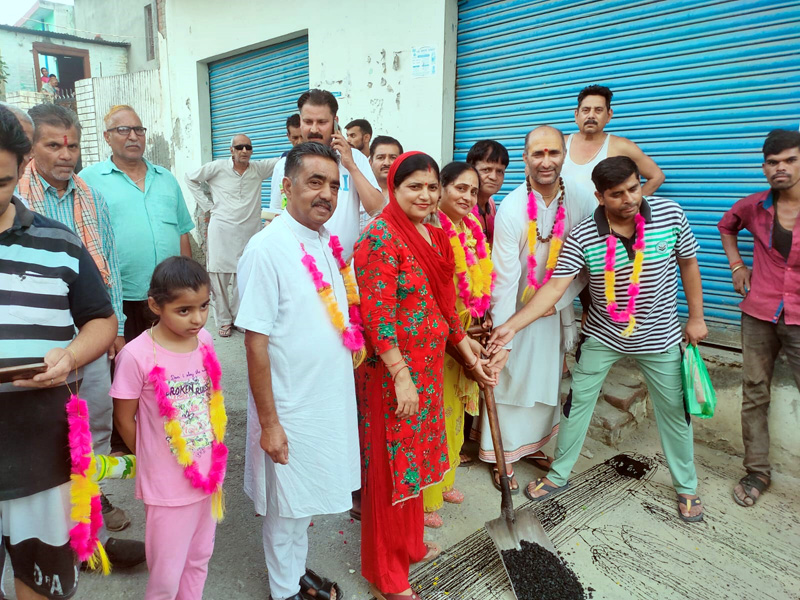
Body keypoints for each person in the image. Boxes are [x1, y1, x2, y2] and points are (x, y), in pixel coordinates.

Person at [489, 156, 707, 523]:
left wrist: (697, 318)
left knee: (675, 414)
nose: (629, 199)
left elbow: (688, 263)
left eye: (634, 189)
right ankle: (559, 476)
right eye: (617, 194)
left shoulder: (670, 215)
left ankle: (686, 486)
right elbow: (555, 287)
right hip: (603, 336)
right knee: (576, 407)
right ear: (599, 196)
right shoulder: (585, 234)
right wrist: (512, 325)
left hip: (660, 337)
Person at [354, 151, 494, 599]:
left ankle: (409, 544)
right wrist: (399, 374)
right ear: (394, 188)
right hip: (394, 376)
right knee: (392, 470)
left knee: (413, 462)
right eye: (415, 185)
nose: (426, 194)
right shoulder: (380, 237)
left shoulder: (435, 234)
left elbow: (443, 299)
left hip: (428, 369)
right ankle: (386, 576)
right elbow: (378, 316)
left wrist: (462, 341)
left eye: (432, 186)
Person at [15, 104, 146, 561]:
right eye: (53, 144)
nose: (65, 154)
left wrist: (116, 327)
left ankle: (91, 543)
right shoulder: (17, 199)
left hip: (88, 338)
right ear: (30, 148)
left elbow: (107, 262)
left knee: (90, 434)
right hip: (33, 343)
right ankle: (45, 542)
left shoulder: (89, 196)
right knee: (37, 442)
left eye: (72, 145)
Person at [0, 104, 118, 600]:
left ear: (21, 167)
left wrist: (70, 357)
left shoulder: (59, 243)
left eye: (1, 181)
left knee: (43, 584)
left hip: (40, 446)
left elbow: (101, 319)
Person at [238, 143, 358, 600]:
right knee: (284, 510)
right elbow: (255, 342)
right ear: (287, 186)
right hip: (290, 406)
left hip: (325, 400)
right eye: (314, 182)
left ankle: (294, 574)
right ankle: (283, 591)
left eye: (333, 184)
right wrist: (270, 424)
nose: (326, 193)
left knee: (302, 505)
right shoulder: (266, 249)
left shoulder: (326, 242)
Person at [481, 126, 598, 493]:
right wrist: (505, 332)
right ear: (526, 158)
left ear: (564, 154)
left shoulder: (581, 199)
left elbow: (589, 261)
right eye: (537, 154)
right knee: (509, 375)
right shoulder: (514, 208)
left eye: (553, 153)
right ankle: (501, 454)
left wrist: (559, 302)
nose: (545, 162)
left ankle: (531, 445)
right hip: (513, 308)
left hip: (554, 311)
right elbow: (502, 278)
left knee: (546, 377)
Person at [111, 256, 227, 600]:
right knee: (166, 570)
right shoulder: (136, 356)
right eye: (184, 310)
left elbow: (211, 399)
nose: (197, 318)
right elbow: (123, 417)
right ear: (155, 305)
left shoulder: (205, 340)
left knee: (199, 557)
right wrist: (150, 458)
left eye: (204, 306)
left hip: (208, 474)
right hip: (166, 484)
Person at [718, 129, 800, 508]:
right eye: (772, 162)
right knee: (754, 392)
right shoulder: (754, 206)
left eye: (789, 160)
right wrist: (737, 265)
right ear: (764, 167)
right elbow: (726, 226)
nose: (780, 168)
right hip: (759, 311)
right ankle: (757, 472)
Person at [81, 104, 194, 343]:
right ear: (107, 137)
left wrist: (188, 286)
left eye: (138, 130)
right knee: (127, 371)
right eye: (123, 130)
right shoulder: (88, 181)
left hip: (169, 297)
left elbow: (182, 232)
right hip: (120, 301)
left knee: (171, 367)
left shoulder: (166, 179)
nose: (133, 136)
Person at [420, 161, 493, 529]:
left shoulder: (472, 228)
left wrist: (481, 318)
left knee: (455, 416)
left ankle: (445, 478)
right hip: (441, 338)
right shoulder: (431, 230)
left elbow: (480, 282)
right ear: (441, 189)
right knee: (434, 414)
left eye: (473, 191)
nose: (467, 196)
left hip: (469, 333)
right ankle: (426, 496)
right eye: (459, 188)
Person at [269, 89, 384, 257]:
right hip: (299, 263)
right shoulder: (285, 165)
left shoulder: (355, 159)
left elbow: (377, 209)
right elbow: (276, 216)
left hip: (344, 270)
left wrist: (350, 165)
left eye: (322, 122)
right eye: (308, 121)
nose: (314, 129)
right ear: (300, 121)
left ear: (335, 122)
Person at [185, 134, 279, 338]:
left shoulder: (258, 169)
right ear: (232, 150)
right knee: (219, 275)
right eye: (239, 147)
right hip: (222, 229)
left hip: (249, 231)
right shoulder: (217, 168)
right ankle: (224, 320)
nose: (244, 151)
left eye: (248, 147)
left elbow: (283, 161)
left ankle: (238, 318)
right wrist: (208, 206)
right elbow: (190, 177)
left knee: (242, 276)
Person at [564, 84, 665, 198]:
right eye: (586, 110)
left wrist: (630, 204)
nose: (591, 115)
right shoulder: (560, 144)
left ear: (609, 115)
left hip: (599, 216)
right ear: (576, 115)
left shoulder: (620, 146)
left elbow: (657, 176)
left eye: (598, 110)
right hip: (560, 216)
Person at [465, 140, 509, 245]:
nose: (493, 177)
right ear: (471, 170)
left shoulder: (491, 203)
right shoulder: (461, 205)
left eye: (499, 171)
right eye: (486, 170)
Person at [362, 135, 403, 231]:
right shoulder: (359, 192)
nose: (387, 163)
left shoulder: (407, 196)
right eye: (380, 157)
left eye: (393, 157)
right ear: (370, 162)